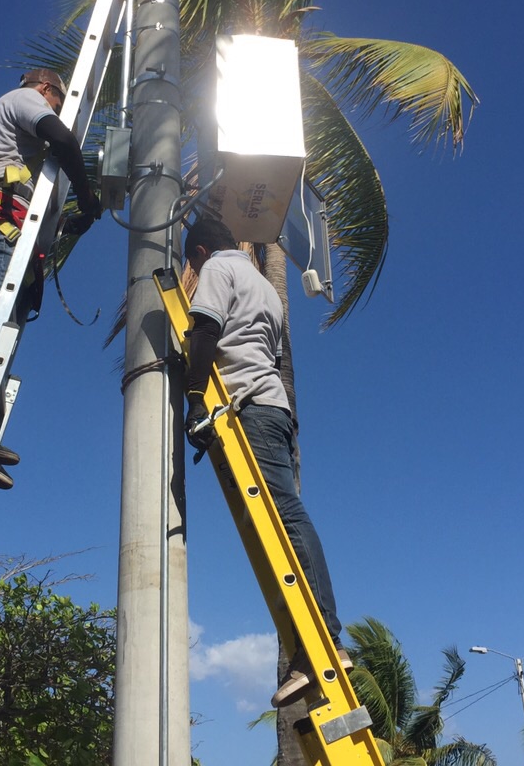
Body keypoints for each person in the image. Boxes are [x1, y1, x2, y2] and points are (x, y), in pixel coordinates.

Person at [181, 216, 350, 707]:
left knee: (285, 511)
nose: (194, 270)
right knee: (284, 512)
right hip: (272, 405)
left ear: (201, 250)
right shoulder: (264, 287)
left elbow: (207, 327)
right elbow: (272, 356)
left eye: (194, 261)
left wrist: (195, 397)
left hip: (251, 406)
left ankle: (326, 639)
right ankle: (313, 646)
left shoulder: (218, 268)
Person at [0, 69, 102, 488]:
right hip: (5, 224)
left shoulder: (21, 136)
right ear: (47, 89)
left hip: (21, 232)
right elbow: (62, 140)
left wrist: (73, 222)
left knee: (3, 336)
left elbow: (44, 198)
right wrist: (87, 194)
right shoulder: (23, 99)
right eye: (59, 102)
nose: (58, 109)